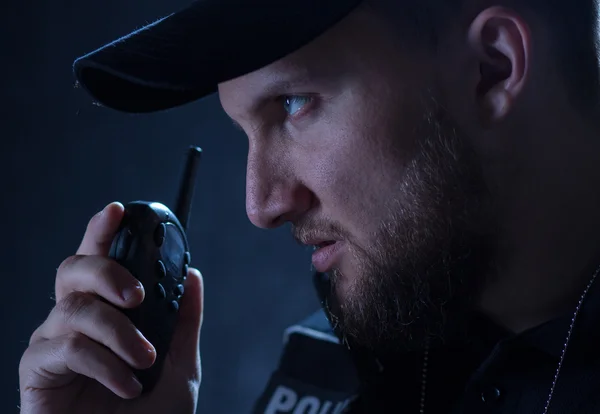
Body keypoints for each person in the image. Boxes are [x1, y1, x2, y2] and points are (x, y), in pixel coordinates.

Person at [17, 0, 600, 412]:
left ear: (491, 67)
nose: (261, 205)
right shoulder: (340, 361)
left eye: (293, 103)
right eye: (245, 130)